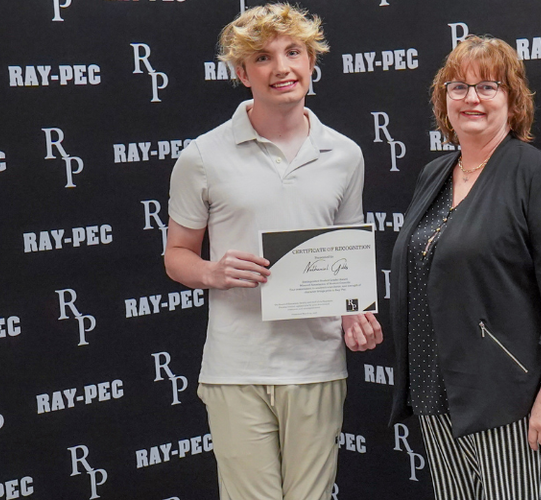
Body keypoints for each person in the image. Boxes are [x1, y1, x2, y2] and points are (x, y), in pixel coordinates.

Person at [164, 4, 382, 500]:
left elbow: (346, 255)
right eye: (262, 58)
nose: (281, 68)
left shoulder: (345, 154)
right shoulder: (201, 156)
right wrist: (213, 272)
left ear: (311, 62)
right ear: (242, 73)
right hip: (235, 367)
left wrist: (355, 314)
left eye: (293, 52)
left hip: (316, 364)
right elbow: (176, 255)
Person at [388, 35, 541, 500]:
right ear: (444, 101)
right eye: (458, 87)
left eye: (488, 87)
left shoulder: (540, 173)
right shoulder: (434, 173)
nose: (471, 98)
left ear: (513, 102)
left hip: (509, 397)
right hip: (435, 390)